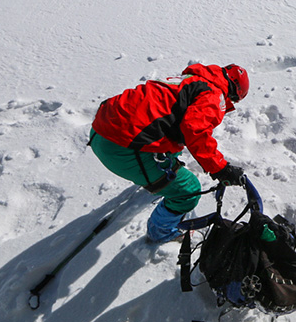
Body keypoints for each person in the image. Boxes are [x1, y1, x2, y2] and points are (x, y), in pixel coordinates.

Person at [88, 63, 250, 243]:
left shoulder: (192, 80)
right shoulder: (215, 95)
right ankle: (161, 233)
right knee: (188, 190)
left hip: (102, 127)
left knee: (172, 146)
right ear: (233, 92)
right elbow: (195, 130)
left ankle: (156, 178)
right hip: (122, 146)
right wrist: (220, 168)